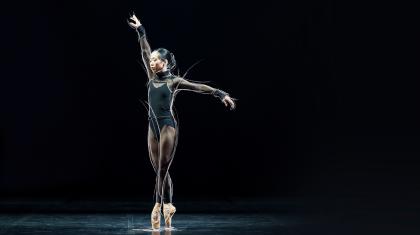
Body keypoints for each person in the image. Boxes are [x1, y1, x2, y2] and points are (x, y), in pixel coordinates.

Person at [128, 13, 236, 230]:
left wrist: (220, 93)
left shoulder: (173, 81)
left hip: (168, 126)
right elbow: (143, 50)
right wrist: (141, 30)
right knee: (159, 171)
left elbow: (198, 87)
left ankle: (157, 206)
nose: (151, 62)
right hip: (152, 127)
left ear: (165, 62)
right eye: (151, 60)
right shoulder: (151, 78)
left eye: (156, 59)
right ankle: (168, 205)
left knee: (162, 169)